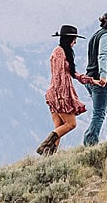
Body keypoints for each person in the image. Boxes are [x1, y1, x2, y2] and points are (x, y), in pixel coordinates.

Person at [37, 25, 90, 155]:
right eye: (74, 39)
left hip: (56, 94)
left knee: (59, 127)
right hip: (59, 94)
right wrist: (62, 97)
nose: (75, 42)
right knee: (71, 124)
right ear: (69, 39)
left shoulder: (62, 51)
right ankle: (45, 145)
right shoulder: (59, 52)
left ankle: (49, 156)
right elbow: (59, 76)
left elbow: (70, 73)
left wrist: (88, 79)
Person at [81, 10, 107, 145]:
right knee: (99, 114)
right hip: (101, 82)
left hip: (91, 79)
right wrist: (103, 77)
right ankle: (90, 144)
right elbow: (103, 56)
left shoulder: (96, 35)